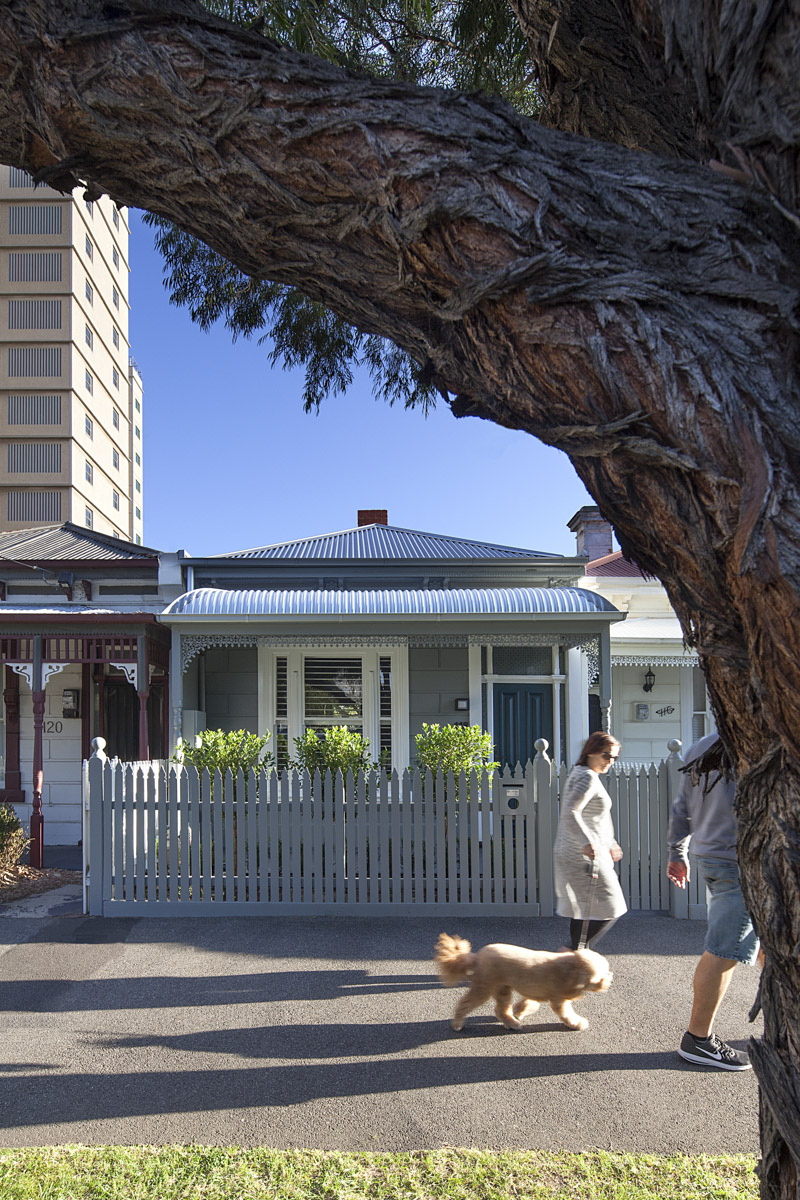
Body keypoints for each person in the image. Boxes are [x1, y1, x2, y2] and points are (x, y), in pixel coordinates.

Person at [667, 732, 760, 1071]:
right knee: (723, 949)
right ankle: (698, 1040)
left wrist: (677, 852)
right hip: (738, 862)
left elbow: (682, 807)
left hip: (712, 856)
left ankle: (784, 1025)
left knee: (767, 944)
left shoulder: (698, 747)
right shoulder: (754, 741)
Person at [553, 731, 627, 950]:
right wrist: (586, 842)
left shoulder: (583, 773)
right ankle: (572, 956)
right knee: (612, 906)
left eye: (614, 758)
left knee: (585, 908)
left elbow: (595, 818)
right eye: (606, 755)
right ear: (591, 752)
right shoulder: (586, 777)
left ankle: (572, 960)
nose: (610, 762)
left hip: (580, 851)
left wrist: (611, 842)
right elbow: (570, 811)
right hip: (582, 854)